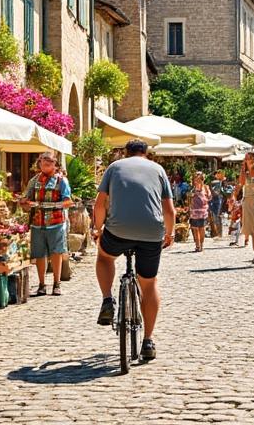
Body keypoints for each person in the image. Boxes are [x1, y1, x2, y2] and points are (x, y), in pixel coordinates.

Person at [92, 139, 175, 362]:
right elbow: (168, 209)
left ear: (125, 153)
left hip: (118, 231)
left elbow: (100, 204)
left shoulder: (115, 167)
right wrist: (170, 234)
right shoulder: (158, 170)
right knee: (149, 283)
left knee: (104, 256)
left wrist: (97, 229)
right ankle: (148, 340)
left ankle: (108, 299)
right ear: (146, 153)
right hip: (151, 233)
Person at [21, 153, 74, 296]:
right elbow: (27, 198)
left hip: (56, 222)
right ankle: (41, 284)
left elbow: (68, 201)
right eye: (43, 163)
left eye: (48, 163)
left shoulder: (61, 181)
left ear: (54, 164)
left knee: (56, 252)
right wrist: (24, 202)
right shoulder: (34, 180)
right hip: (37, 222)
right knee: (39, 254)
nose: (45, 166)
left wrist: (49, 205)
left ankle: (57, 283)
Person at [187, 172, 210, 253]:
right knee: (195, 229)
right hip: (194, 211)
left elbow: (209, 197)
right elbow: (189, 198)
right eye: (195, 179)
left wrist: (206, 197)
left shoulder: (206, 187)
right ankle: (197, 245)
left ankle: (201, 244)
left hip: (203, 211)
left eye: (199, 179)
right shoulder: (192, 188)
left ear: (202, 179)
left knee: (202, 228)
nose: (197, 180)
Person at [209, 170, 229, 239]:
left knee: (217, 216)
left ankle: (219, 234)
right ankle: (216, 233)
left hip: (219, 199)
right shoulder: (214, 182)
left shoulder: (222, 181)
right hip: (215, 199)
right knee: (214, 216)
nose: (217, 175)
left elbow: (218, 191)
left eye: (219, 174)